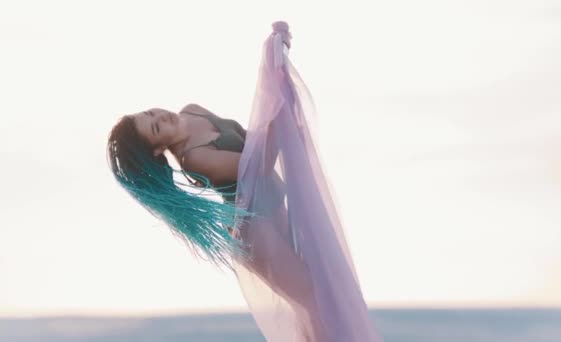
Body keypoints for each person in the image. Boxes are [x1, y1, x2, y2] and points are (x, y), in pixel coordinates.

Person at [107, 21, 381, 341]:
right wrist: (276, 96)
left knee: (322, 293)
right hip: (256, 233)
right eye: (155, 128)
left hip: (277, 211)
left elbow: (254, 139)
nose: (160, 117)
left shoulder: (192, 110)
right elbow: (259, 164)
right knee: (311, 301)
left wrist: (277, 87)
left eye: (150, 113)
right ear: (157, 149)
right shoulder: (195, 158)